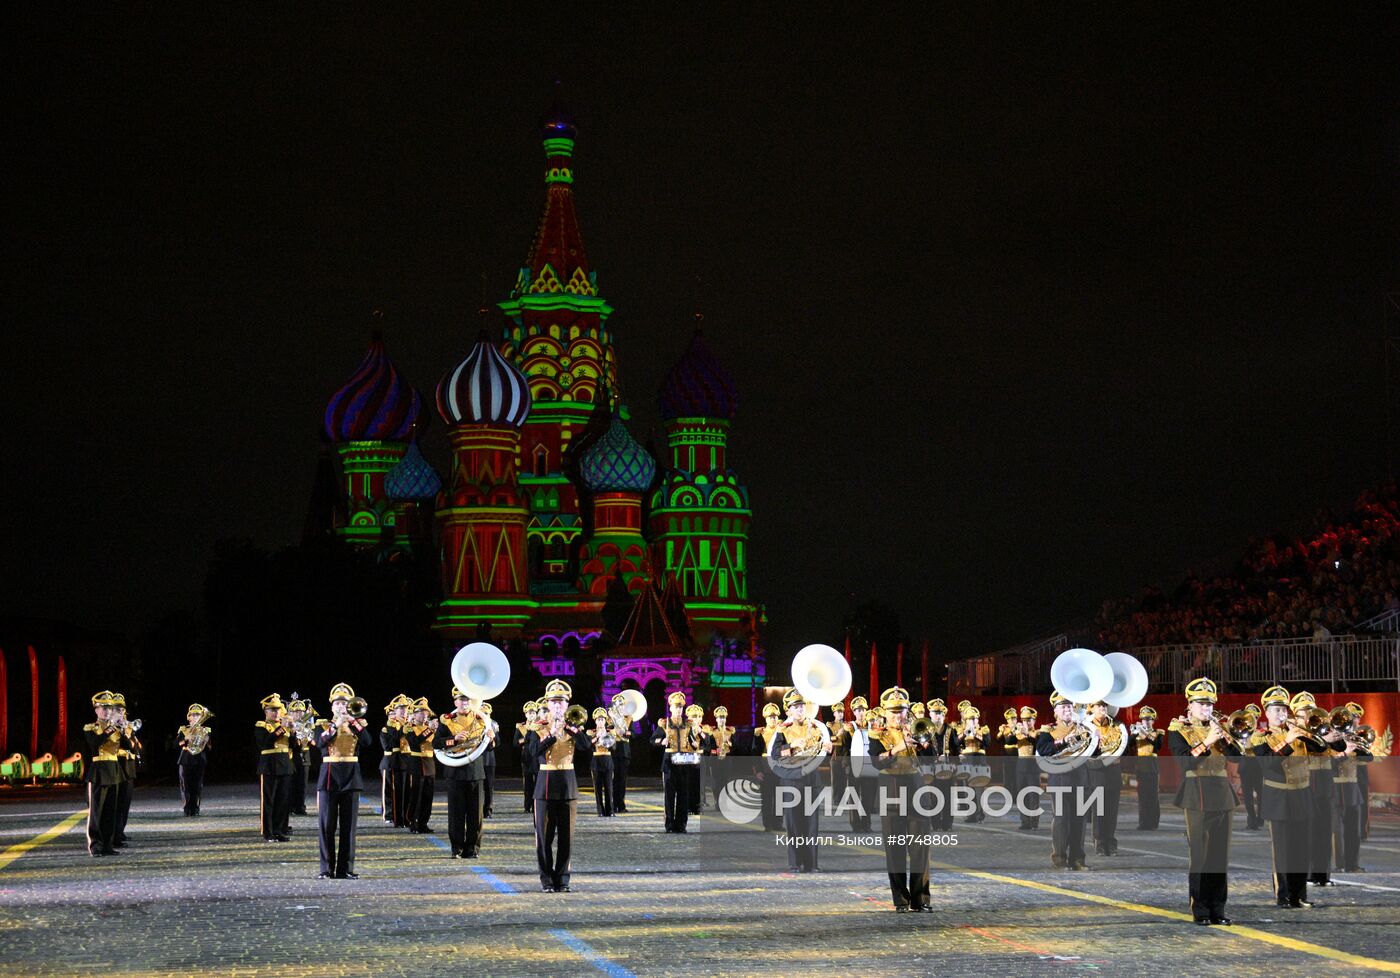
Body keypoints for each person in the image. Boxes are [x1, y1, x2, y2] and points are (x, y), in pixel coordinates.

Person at [1166, 677, 1240, 926]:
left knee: (1220, 856)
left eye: (1209, 704)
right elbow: (1185, 761)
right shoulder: (1179, 729)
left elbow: (1238, 758)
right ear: (1190, 706)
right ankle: (1200, 909)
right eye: (1201, 704)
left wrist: (1226, 738)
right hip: (1196, 793)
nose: (1206, 709)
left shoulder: (1220, 728)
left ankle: (1218, 908)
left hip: (1222, 793)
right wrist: (1207, 741)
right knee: (1200, 855)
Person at [1254, 685, 1320, 909]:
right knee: (1282, 850)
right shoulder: (1260, 736)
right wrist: (1289, 740)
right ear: (1267, 713)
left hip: (1302, 795)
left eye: (1284, 710)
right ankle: (1283, 895)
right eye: (1276, 711)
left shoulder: (1299, 730)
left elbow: (1325, 747)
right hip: (1278, 798)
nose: (1282, 715)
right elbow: (1268, 764)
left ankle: (1299, 895)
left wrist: (1313, 733)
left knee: (1302, 848)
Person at [527, 680, 591, 892]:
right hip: (544, 786)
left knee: (566, 837)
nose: (557, 706)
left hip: (567, 786)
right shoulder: (537, 728)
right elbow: (532, 753)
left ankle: (563, 880)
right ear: (547, 703)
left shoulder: (574, 726)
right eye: (553, 702)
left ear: (567, 705)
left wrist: (571, 730)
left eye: (561, 703)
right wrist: (551, 735)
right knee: (544, 839)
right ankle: (547, 881)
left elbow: (585, 747)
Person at [871, 686, 930, 912]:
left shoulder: (916, 731)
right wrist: (898, 747)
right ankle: (901, 899)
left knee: (920, 848)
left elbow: (930, 762)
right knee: (895, 848)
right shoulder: (878, 734)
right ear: (886, 713)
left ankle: (921, 898)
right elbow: (877, 762)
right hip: (891, 790)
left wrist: (925, 746)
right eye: (894, 712)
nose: (899, 716)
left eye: (902, 711)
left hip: (916, 788)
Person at [766, 688, 830, 873]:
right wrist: (792, 746)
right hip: (791, 778)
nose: (801, 709)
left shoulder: (817, 728)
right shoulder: (783, 730)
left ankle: (812, 863)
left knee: (811, 824)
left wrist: (827, 748)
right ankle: (795, 863)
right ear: (789, 711)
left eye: (802, 706)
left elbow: (820, 753)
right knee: (793, 823)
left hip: (811, 777)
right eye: (796, 707)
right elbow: (775, 755)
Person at [314, 683, 371, 879]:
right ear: (332, 707)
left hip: (351, 777)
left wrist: (353, 722)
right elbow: (320, 743)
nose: (341, 706)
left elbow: (367, 742)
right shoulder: (322, 725)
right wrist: (335, 726)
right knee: (327, 826)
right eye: (337, 703)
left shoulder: (358, 725)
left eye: (344, 703)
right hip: (329, 775)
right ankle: (326, 868)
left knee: (348, 827)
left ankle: (345, 868)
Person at [433, 686, 491, 858]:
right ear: (455, 701)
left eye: (467, 700)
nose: (465, 703)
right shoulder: (447, 720)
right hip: (455, 771)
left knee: (476, 815)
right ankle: (456, 848)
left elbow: (493, 746)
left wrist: (492, 738)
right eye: (461, 699)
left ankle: (472, 849)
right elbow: (436, 744)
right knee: (456, 813)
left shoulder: (481, 719)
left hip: (475, 772)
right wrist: (454, 739)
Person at [1035, 691, 1090, 870]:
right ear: (1056, 712)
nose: (1067, 709)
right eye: (1063, 707)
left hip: (1080, 776)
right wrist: (1062, 741)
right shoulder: (1048, 730)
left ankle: (1078, 859)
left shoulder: (1083, 727)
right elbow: (1043, 750)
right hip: (1059, 777)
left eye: (1069, 706)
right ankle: (1059, 858)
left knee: (1079, 819)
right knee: (1060, 819)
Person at [1292, 690, 1341, 889]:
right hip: (1306, 779)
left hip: (1324, 781)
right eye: (1304, 712)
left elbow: (1339, 746)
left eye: (1310, 710)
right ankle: (1308, 874)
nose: (1308, 715)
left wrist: (1334, 735)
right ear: (1296, 714)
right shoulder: (1295, 730)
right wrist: (1324, 740)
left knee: (1325, 828)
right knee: (1308, 829)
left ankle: (1323, 873)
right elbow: (1311, 747)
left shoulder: (1321, 726)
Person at [83, 691, 131, 856]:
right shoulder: (91, 727)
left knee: (111, 810)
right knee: (96, 812)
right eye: (102, 708)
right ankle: (95, 845)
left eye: (109, 708)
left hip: (114, 770)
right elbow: (95, 743)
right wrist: (112, 727)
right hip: (98, 770)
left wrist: (124, 728)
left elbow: (128, 746)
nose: (106, 711)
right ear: (96, 710)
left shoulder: (116, 728)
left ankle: (107, 845)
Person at [652, 692, 704, 833]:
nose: (679, 710)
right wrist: (662, 741)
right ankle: (669, 825)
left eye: (681, 707)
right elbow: (653, 740)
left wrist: (694, 742)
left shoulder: (688, 725)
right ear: (671, 708)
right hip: (669, 764)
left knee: (683, 795)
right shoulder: (664, 723)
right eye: (676, 707)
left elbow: (696, 743)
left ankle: (681, 825)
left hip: (684, 764)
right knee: (669, 796)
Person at [253, 693, 295, 842]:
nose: (276, 713)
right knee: (268, 801)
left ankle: (280, 830)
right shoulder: (261, 726)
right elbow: (265, 743)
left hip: (285, 766)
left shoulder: (285, 726)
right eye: (272, 710)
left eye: (278, 710)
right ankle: (268, 832)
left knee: (283, 801)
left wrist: (294, 730)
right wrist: (282, 729)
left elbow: (294, 746)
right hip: (269, 766)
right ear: (266, 712)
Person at [1088, 700, 1126, 856]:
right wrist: (1096, 744)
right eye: (1099, 706)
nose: (1102, 708)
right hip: (1097, 772)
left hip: (1114, 771)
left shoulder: (1117, 725)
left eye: (1104, 706)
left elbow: (1126, 747)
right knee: (1099, 810)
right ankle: (1099, 842)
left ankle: (1111, 841)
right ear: (1093, 708)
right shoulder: (1087, 726)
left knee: (1112, 810)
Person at [110, 692, 140, 847]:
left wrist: (129, 733)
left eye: (121, 709)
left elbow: (134, 747)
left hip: (128, 767)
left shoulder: (127, 726)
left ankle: (120, 832)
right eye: (116, 709)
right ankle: (114, 835)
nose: (120, 712)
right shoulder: (108, 726)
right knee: (115, 803)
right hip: (116, 765)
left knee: (125, 802)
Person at [404, 697, 437, 833]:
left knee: (428, 797)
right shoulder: (409, 728)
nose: (424, 715)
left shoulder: (430, 728)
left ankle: (424, 823)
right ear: (414, 713)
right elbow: (415, 742)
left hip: (429, 763)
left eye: (426, 713)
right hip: (416, 763)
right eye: (421, 712)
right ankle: (413, 823)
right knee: (416, 795)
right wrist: (429, 730)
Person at [846, 697, 878, 832]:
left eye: (863, 710)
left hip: (869, 765)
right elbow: (844, 748)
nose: (861, 712)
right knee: (853, 795)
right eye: (858, 710)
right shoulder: (849, 728)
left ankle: (867, 823)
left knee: (868, 796)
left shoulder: (873, 727)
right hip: (853, 765)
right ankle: (855, 823)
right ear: (854, 712)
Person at [175, 703, 212, 817]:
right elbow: (175, 744)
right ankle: (187, 808)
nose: (195, 717)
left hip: (199, 759)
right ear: (189, 717)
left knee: (197, 785)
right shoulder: (183, 729)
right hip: (185, 759)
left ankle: (195, 808)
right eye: (193, 715)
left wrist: (206, 740)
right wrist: (186, 738)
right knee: (185, 785)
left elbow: (210, 747)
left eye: (198, 715)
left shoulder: (205, 730)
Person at [1130, 706, 1163, 830]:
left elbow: (1157, 746)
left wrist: (1144, 734)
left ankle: (1153, 823)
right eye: (1143, 719)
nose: (1145, 722)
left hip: (1152, 766)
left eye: (1148, 719)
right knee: (1143, 797)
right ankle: (1143, 822)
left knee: (1153, 796)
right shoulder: (1137, 734)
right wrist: (1133, 735)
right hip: (1140, 767)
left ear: (1153, 720)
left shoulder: (1158, 733)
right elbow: (1128, 746)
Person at [755, 702, 784, 831]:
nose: (773, 719)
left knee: (780, 798)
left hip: (780, 769)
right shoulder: (760, 733)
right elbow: (754, 753)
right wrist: (757, 771)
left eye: (775, 717)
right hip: (766, 770)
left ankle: (778, 824)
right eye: (770, 717)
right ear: (765, 718)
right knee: (766, 799)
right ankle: (767, 824)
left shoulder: (782, 732)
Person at [1015, 706, 1042, 830]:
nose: (1026, 722)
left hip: (1033, 768)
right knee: (1022, 795)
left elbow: (1038, 743)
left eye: (1029, 720)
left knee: (1033, 796)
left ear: (1034, 721)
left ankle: (1034, 822)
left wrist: (1027, 734)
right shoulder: (1018, 733)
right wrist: (1014, 731)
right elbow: (1008, 740)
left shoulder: (1038, 732)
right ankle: (1024, 822)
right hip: (1021, 767)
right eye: (1024, 720)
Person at [1238, 703, 1264, 829]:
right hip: (1245, 764)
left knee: (1261, 794)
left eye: (1254, 717)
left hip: (1258, 764)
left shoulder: (1261, 732)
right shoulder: (1239, 730)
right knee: (1247, 795)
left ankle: (1260, 818)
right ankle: (1251, 820)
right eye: (1249, 717)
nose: (1251, 719)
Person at [286, 698, 312, 817]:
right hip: (290, 755)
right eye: (295, 711)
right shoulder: (287, 725)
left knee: (302, 783)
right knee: (289, 782)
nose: (299, 714)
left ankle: (300, 807)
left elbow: (311, 739)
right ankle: (289, 806)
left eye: (301, 711)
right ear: (290, 713)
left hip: (304, 755)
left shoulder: (308, 724)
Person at [608, 695, 633, 813]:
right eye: (620, 705)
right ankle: (612, 805)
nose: (622, 708)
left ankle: (621, 805)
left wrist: (626, 732)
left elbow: (634, 734)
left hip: (624, 751)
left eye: (623, 705)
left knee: (622, 779)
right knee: (613, 779)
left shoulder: (628, 718)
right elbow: (606, 731)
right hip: (614, 750)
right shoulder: (610, 718)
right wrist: (614, 731)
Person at [588, 708, 615, 817]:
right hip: (596, 761)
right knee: (597, 788)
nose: (600, 721)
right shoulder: (591, 732)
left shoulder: (610, 732)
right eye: (598, 720)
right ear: (595, 721)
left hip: (607, 760)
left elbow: (614, 747)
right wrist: (597, 737)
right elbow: (588, 745)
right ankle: (600, 810)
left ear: (605, 721)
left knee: (609, 787)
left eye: (602, 719)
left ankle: (610, 810)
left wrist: (608, 736)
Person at [516, 701, 541, 813]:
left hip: (536, 756)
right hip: (526, 757)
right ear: (525, 714)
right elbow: (515, 743)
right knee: (528, 783)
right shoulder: (521, 727)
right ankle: (527, 806)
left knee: (538, 782)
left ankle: (537, 804)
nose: (531, 715)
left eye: (533, 713)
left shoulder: (540, 726)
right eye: (529, 713)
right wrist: (525, 740)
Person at [481, 701, 499, 818]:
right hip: (476, 759)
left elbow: (498, 742)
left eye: (487, 713)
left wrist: (492, 739)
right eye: (483, 713)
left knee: (488, 786)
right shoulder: (474, 723)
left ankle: (488, 810)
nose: (485, 715)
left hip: (488, 759)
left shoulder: (493, 724)